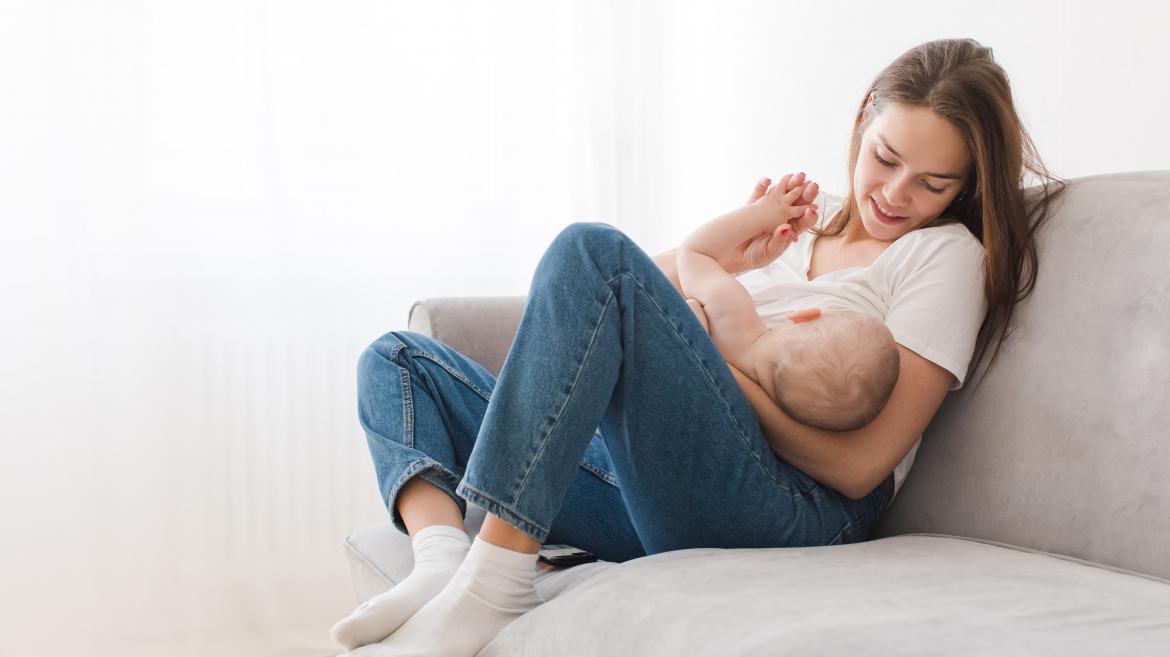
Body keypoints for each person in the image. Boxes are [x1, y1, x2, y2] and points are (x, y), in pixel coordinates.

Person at [330, 37, 1066, 657]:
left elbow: (859, 464)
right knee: (397, 362)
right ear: (862, 120)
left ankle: (495, 582)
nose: (895, 194)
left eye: (933, 182)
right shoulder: (803, 217)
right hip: (668, 477)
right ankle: (441, 560)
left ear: (965, 188)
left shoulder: (945, 256)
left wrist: (724, 360)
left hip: (790, 504)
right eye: (885, 157)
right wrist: (727, 264)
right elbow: (601, 305)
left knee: (591, 246)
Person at [677, 171, 900, 432]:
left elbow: (693, 252)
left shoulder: (733, 312)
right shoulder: (761, 409)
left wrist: (758, 215)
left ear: (803, 314)